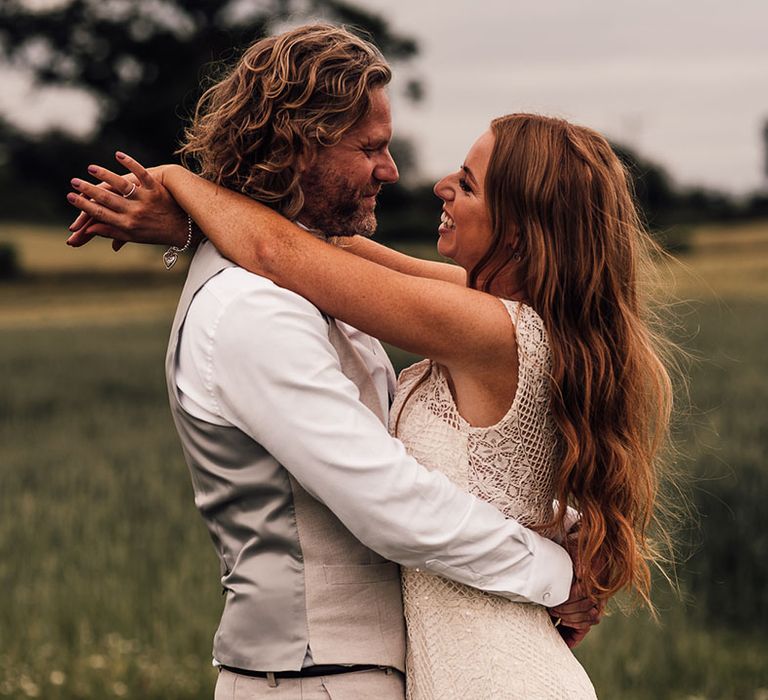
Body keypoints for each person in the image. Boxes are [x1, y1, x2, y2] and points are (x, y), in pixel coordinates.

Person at [66, 25, 607, 700]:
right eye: (370, 148)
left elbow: (293, 253)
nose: (395, 171)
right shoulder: (251, 310)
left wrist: (190, 209)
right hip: (310, 679)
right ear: (298, 149)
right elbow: (388, 501)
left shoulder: (339, 294)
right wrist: (559, 570)